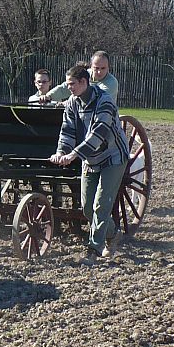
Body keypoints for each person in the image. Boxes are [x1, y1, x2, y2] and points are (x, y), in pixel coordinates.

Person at [48, 64, 130, 263]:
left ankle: (93, 250)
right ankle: (113, 234)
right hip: (90, 159)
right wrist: (61, 152)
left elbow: (98, 134)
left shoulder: (105, 101)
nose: (70, 89)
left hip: (113, 157)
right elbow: (66, 132)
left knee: (101, 204)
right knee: (87, 207)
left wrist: (74, 154)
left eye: (72, 85)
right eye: (68, 85)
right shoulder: (72, 103)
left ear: (84, 82)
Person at [37, 51, 119, 105]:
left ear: (108, 68)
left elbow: (95, 99)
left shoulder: (111, 83)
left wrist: (68, 103)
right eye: (96, 68)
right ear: (91, 66)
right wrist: (48, 96)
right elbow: (65, 87)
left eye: (103, 68)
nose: (99, 72)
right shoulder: (85, 74)